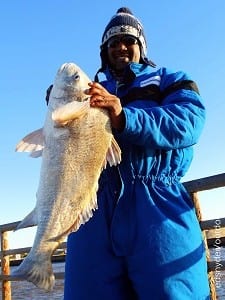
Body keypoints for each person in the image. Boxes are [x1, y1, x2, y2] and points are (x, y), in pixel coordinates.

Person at [63, 7, 210, 300]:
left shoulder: (172, 79)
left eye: (128, 40)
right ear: (104, 51)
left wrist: (123, 116)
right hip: (91, 207)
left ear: (141, 46)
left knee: (173, 293)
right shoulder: (88, 91)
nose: (120, 47)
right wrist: (62, 101)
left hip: (157, 205)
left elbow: (189, 123)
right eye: (112, 42)